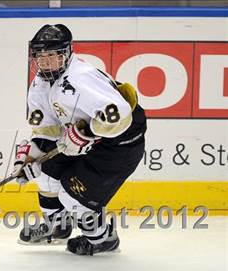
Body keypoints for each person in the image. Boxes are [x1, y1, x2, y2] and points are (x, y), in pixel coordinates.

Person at [13, 24, 147, 256]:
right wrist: (30, 158)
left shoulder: (80, 79)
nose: (45, 62)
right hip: (86, 137)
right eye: (41, 56)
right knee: (45, 174)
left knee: (71, 195)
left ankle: (104, 239)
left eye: (52, 55)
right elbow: (47, 131)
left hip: (120, 143)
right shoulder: (40, 84)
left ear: (65, 53)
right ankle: (59, 227)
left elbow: (122, 116)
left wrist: (88, 133)